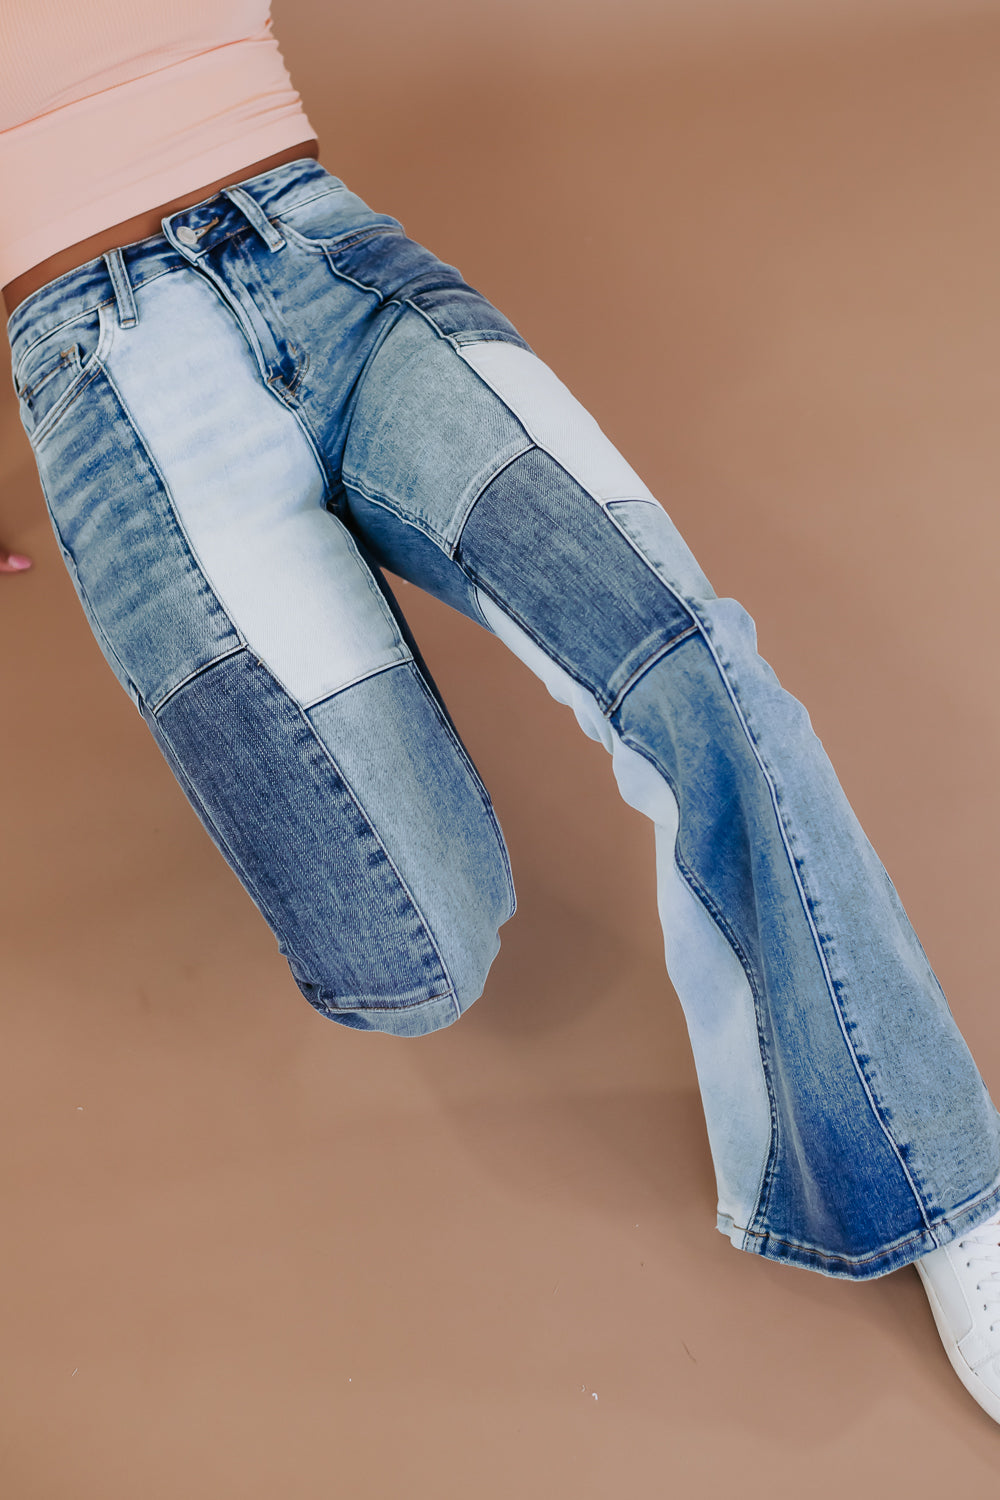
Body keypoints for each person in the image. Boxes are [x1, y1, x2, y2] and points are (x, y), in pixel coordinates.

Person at [4, 0, 1000, 1430]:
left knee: (699, 669)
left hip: (326, 261)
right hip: (107, 378)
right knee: (413, 961)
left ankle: (944, 1190)